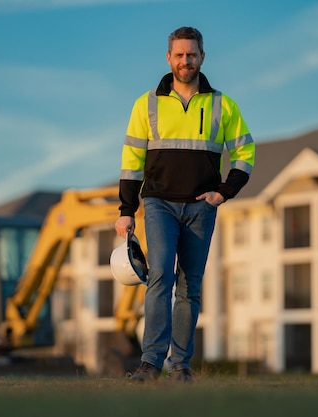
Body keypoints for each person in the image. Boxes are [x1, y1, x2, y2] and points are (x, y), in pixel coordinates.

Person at [114, 26, 255, 382]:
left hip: (200, 208)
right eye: (179, 55)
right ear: (168, 58)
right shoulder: (145, 104)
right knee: (160, 274)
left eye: (191, 54)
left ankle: (180, 367)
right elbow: (131, 159)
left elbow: (245, 152)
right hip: (158, 203)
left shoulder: (223, 104)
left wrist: (223, 192)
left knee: (189, 286)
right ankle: (150, 364)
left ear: (202, 57)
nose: (185, 61)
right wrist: (126, 211)